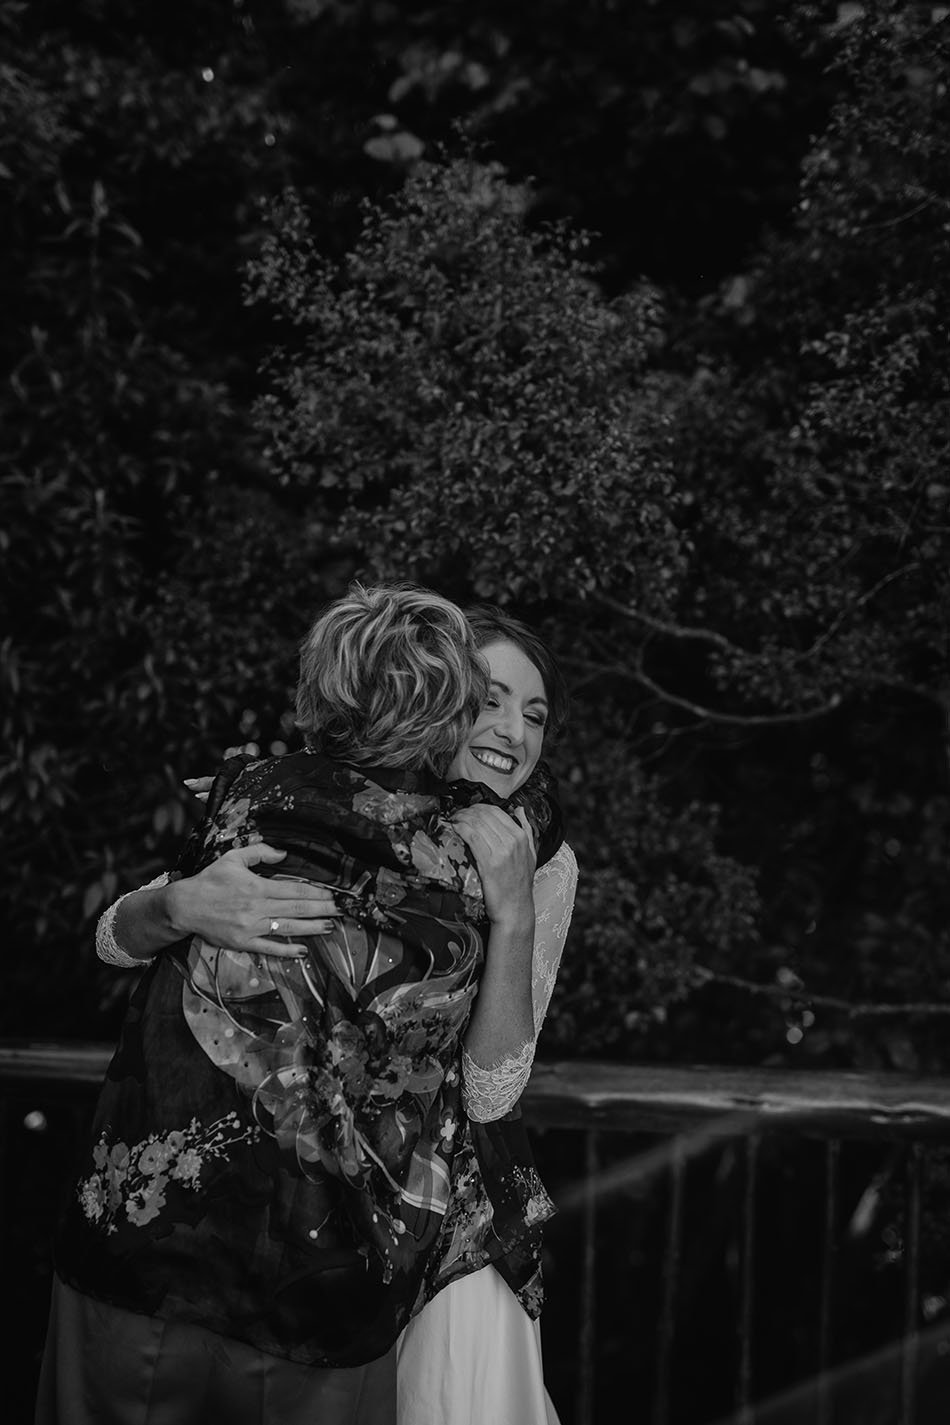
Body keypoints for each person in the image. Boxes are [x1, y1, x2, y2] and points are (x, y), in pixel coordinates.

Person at [37, 583, 567, 1425]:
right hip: (295, 1284)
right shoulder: (434, 856)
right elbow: (115, 934)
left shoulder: (251, 797)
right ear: (448, 711)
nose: (507, 729)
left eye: (531, 714)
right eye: (486, 700)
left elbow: (491, 1089)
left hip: (175, 1256)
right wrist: (182, 902)